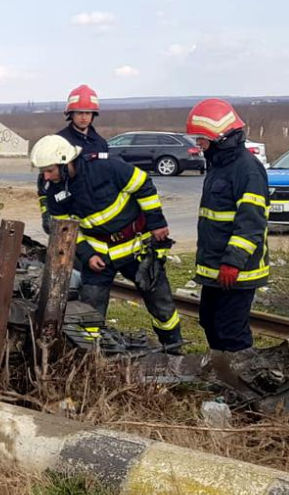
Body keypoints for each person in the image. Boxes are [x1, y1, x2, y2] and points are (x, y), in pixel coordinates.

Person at [31, 134, 182, 350]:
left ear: (65, 162)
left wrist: (157, 222)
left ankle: (174, 350)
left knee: (161, 305)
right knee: (89, 313)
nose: (45, 177)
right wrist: (87, 254)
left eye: (49, 170)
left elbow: (143, 185)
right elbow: (66, 230)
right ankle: (91, 359)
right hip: (100, 254)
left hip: (136, 247)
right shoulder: (55, 191)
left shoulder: (106, 167)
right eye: (42, 172)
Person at [187, 98, 268, 353]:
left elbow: (251, 223)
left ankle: (243, 385)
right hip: (216, 268)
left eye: (202, 137)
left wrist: (233, 262)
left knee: (231, 331)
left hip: (237, 271)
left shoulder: (247, 169)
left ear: (219, 136)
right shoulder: (219, 164)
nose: (199, 143)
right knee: (210, 322)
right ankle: (223, 374)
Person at [38, 84, 110, 234]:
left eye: (88, 113)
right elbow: (45, 181)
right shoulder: (58, 141)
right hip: (67, 209)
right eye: (79, 113)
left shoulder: (100, 143)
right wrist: (46, 212)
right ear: (70, 114)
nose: (84, 117)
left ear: (93, 115)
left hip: (97, 211)